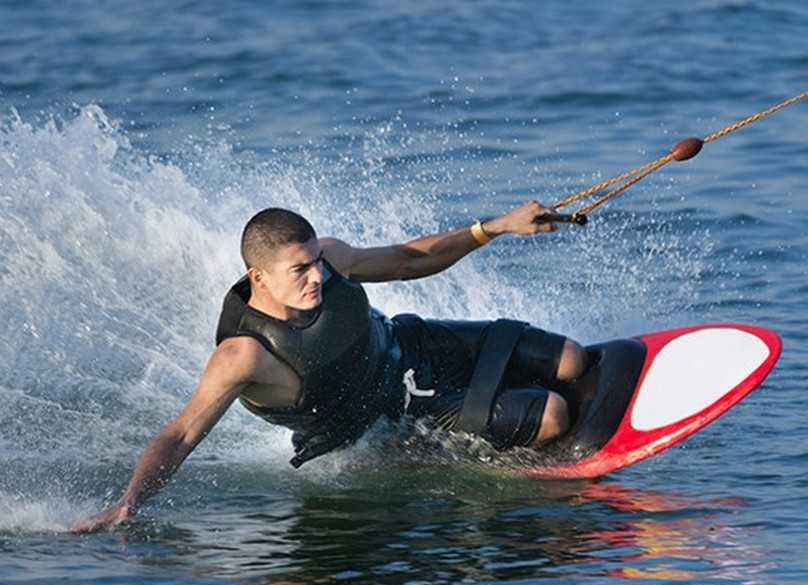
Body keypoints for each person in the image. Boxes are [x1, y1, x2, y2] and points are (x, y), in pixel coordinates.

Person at [71, 201, 588, 533]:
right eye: (300, 269)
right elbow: (182, 435)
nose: (318, 276)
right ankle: (425, 458)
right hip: (389, 422)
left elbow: (410, 260)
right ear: (260, 277)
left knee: (572, 358)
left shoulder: (331, 260)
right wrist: (130, 503)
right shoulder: (244, 356)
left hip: (414, 346)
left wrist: (495, 227)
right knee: (553, 417)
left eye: (316, 261)